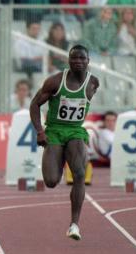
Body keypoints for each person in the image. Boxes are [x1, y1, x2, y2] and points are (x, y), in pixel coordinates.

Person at [29, 45, 100, 240]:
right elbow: (35, 104)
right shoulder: (55, 81)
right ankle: (57, 157)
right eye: (74, 59)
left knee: (79, 172)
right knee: (51, 181)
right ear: (68, 61)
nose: (78, 62)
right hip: (54, 131)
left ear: (88, 62)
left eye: (82, 59)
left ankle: (74, 224)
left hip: (76, 131)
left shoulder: (93, 82)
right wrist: (40, 131)